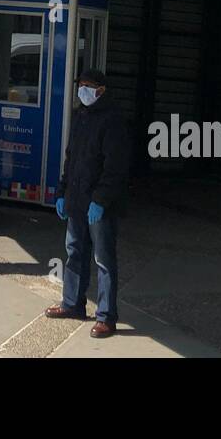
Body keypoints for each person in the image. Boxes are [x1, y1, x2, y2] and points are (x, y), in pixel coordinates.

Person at [45, 68, 127, 338]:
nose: (82, 90)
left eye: (87, 86)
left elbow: (114, 167)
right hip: (77, 200)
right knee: (74, 253)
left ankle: (106, 316)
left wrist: (100, 200)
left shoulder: (112, 120)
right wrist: (62, 191)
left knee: (103, 258)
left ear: (101, 90)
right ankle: (72, 304)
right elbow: (72, 158)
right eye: (80, 85)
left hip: (98, 204)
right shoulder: (81, 115)